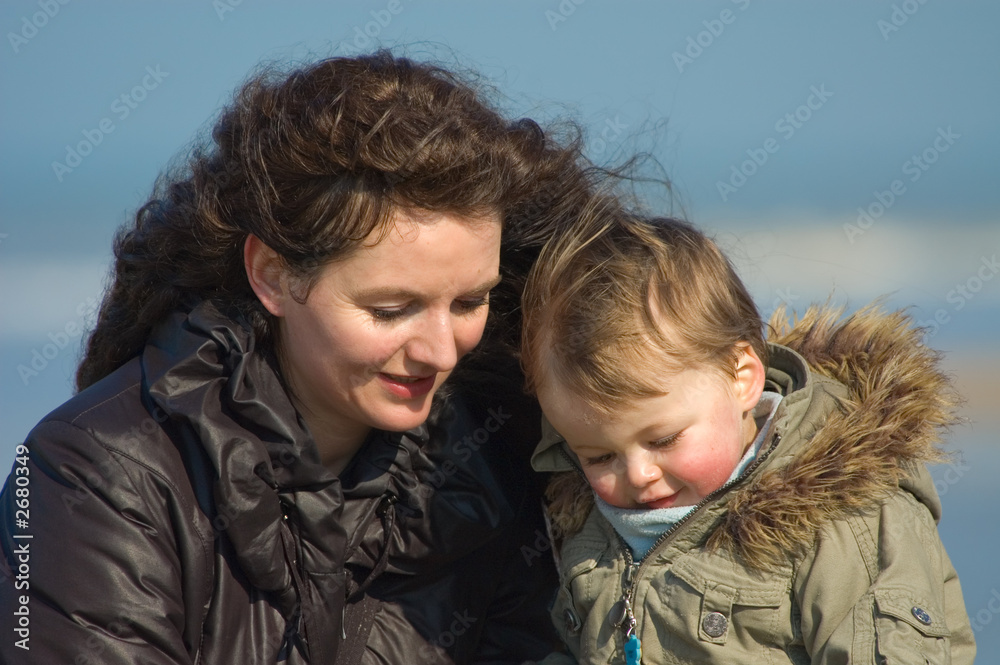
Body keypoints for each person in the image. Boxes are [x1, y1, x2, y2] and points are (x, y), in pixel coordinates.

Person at [0, 51, 594, 664]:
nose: (441, 352)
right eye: (391, 310)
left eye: (470, 301)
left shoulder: (501, 461)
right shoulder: (92, 473)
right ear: (273, 275)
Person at [521, 211, 976, 664]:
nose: (637, 475)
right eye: (600, 457)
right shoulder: (592, 525)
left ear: (741, 379)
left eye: (663, 440)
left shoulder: (842, 519)